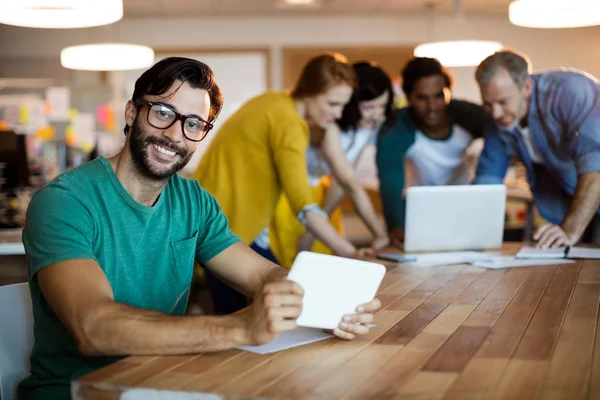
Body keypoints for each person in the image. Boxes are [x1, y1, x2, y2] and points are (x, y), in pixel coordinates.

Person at [18, 57, 380, 400]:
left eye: (193, 124)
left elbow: (263, 275)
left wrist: (330, 307)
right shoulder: (65, 201)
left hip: (163, 383)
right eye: (163, 113)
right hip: (77, 393)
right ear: (132, 112)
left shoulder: (193, 200)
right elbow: (93, 327)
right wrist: (239, 328)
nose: (175, 135)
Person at [192, 53, 373, 314]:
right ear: (310, 92)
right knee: (255, 312)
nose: (338, 114)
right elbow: (304, 206)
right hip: (224, 229)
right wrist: (349, 252)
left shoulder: (273, 102)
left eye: (342, 106)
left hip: (224, 222)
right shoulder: (289, 123)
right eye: (332, 104)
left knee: (263, 306)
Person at [267, 61, 395, 268]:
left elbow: (342, 181)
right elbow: (349, 182)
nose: (377, 114)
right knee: (292, 266)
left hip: (320, 197)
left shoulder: (366, 129)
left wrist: (319, 223)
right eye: (369, 107)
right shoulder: (329, 126)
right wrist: (379, 233)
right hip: (291, 197)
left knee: (328, 262)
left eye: (382, 106)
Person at [473, 49, 600, 249]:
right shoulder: (496, 121)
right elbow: (488, 179)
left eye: (503, 102)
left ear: (526, 87)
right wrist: (470, 235)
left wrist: (569, 230)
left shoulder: (570, 92)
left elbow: (596, 165)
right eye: (488, 104)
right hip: (570, 204)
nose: (495, 113)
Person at [377, 57, 487, 248]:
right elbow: (390, 181)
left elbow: (502, 140)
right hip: (422, 210)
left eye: (439, 96)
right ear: (408, 96)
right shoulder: (396, 127)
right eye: (422, 98)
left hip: (465, 204)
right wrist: (396, 225)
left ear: (449, 92)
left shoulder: (470, 115)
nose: (432, 107)